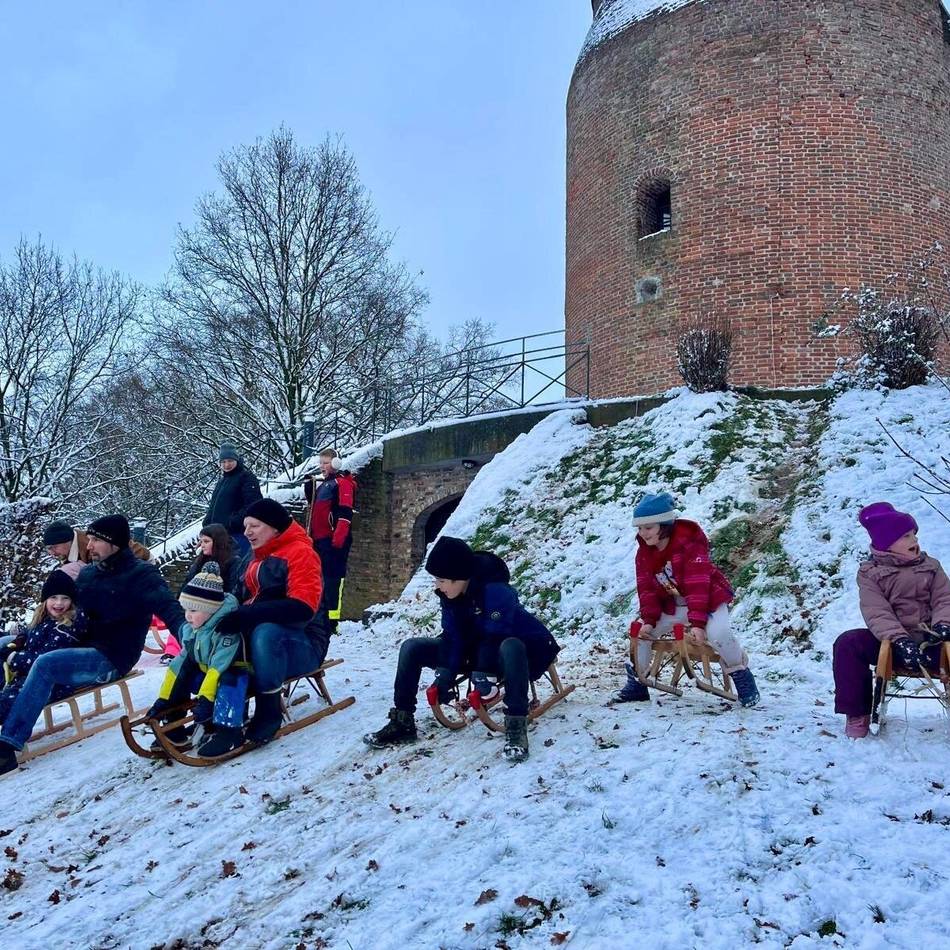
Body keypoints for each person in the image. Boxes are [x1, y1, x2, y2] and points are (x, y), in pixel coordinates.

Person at [0, 514, 186, 775]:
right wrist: (24, 636)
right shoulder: (88, 574)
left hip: (111, 657)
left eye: (96, 540)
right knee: (4, 645)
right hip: (79, 648)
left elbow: (170, 608)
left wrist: (189, 637)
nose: (88, 546)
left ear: (115, 543)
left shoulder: (141, 575)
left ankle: (7, 747)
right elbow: (63, 610)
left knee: (45, 664)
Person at [363, 536, 560, 763]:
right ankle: (403, 720)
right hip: (477, 650)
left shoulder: (496, 592)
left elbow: (495, 636)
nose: (437, 586)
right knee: (412, 648)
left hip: (523, 650)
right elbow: (452, 637)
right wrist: (446, 673)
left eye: (442, 580)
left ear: (460, 578)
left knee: (510, 645)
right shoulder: (450, 594)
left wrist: (483, 673)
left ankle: (516, 726)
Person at [614, 492, 760, 707]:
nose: (642, 533)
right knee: (641, 633)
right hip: (674, 605)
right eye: (640, 528)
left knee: (720, 634)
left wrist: (698, 624)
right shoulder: (644, 553)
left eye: (648, 527)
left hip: (707, 600)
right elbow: (646, 589)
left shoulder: (689, 544)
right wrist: (649, 621)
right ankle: (638, 682)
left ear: (664, 525)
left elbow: (698, 585)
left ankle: (742, 677)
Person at [213, 499, 326, 749]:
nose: (247, 532)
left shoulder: (301, 553)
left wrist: (249, 615)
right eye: (245, 526)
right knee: (224, 635)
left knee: (265, 631)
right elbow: (237, 595)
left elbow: (303, 608)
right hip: (263, 646)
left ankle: (268, 710)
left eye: (255, 525)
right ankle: (224, 718)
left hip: (302, 643)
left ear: (275, 527)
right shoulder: (254, 558)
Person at [833, 502, 950, 738]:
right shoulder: (870, 573)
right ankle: (858, 712)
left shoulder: (931, 567)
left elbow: (944, 599)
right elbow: (877, 611)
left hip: (933, 642)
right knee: (848, 643)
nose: (914, 541)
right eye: (906, 536)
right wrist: (899, 640)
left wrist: (943, 626)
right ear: (887, 543)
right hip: (893, 644)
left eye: (914, 535)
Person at [145, 561, 246, 757]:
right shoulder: (195, 629)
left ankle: (230, 732)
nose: (187, 617)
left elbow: (219, 667)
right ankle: (173, 725)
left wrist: (206, 700)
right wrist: (164, 700)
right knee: (184, 671)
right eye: (186, 610)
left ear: (211, 610)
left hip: (236, 673)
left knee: (230, 679)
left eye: (193, 611)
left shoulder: (226, 631)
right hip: (208, 674)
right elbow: (177, 664)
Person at [0, 572, 88, 724]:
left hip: (52, 683)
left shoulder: (67, 627)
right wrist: (20, 640)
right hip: (26, 678)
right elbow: (28, 633)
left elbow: (45, 662)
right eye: (53, 597)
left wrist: (12, 657)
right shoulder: (43, 619)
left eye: (65, 598)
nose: (59, 603)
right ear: (45, 600)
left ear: (72, 601)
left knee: (5, 705)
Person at [304, 448, 356, 635]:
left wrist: (338, 538)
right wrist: (309, 489)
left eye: (326, 462)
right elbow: (315, 508)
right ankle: (318, 614)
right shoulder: (323, 484)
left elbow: (345, 513)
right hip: (318, 539)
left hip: (333, 540)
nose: (322, 466)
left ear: (335, 463)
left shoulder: (342, 483)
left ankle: (332, 621)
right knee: (317, 577)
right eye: (321, 462)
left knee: (333, 579)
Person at [203, 443, 263, 557]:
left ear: (236, 460)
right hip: (218, 535)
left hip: (238, 534)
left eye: (230, 460)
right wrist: (206, 529)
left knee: (238, 567)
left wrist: (232, 522)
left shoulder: (246, 478)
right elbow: (213, 508)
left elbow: (253, 505)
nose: (227, 465)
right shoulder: (221, 482)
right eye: (223, 462)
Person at [184, 524, 240, 594]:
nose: (202, 545)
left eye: (206, 541)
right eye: (201, 542)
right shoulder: (200, 560)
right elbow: (187, 584)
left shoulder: (233, 561)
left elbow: (232, 590)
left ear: (218, 542)